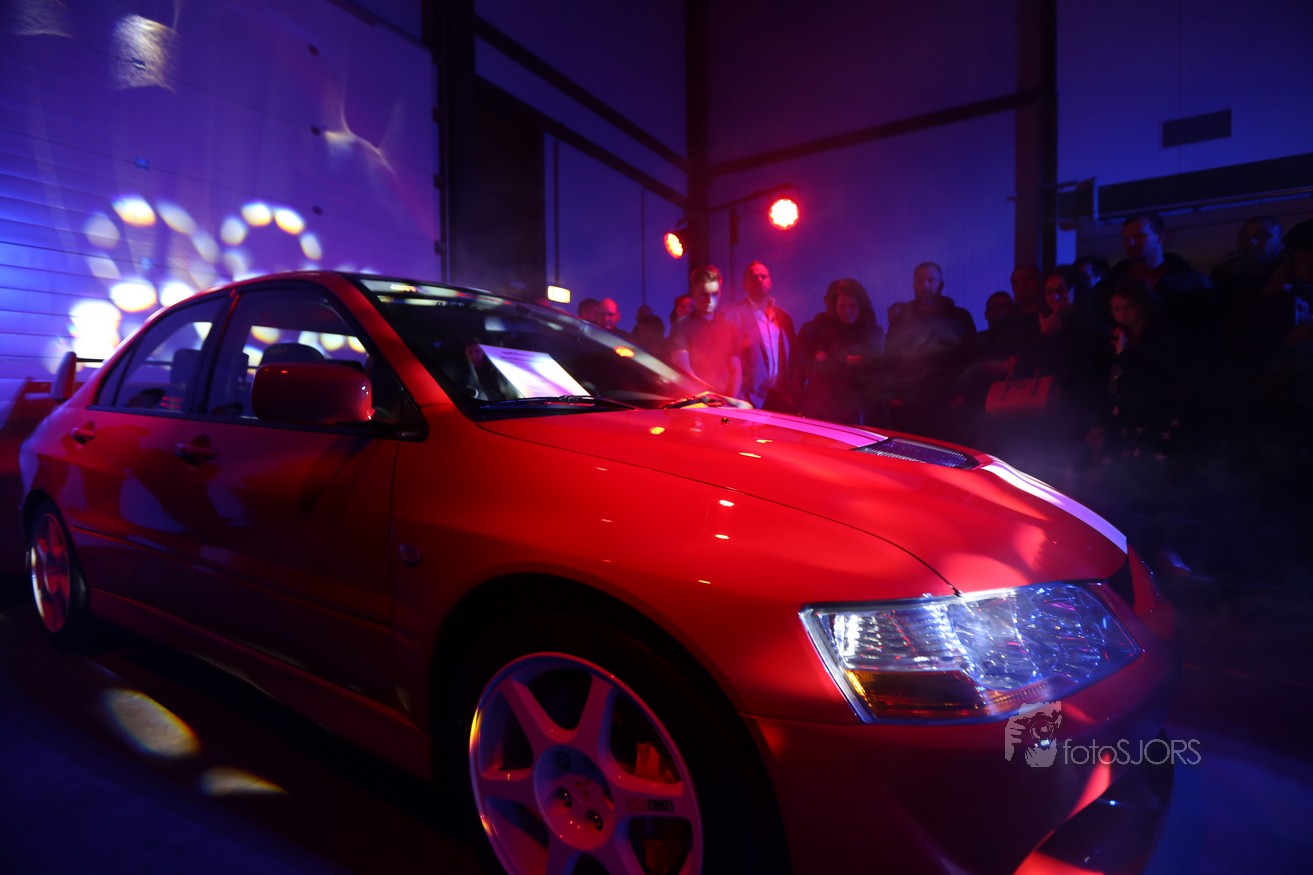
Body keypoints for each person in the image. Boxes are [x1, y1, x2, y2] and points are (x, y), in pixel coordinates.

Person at [884, 261, 976, 438]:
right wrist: (894, 395)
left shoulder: (959, 317)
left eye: (930, 280)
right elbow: (890, 359)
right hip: (909, 406)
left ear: (941, 284)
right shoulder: (901, 320)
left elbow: (971, 357)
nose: (925, 286)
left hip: (947, 405)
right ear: (914, 285)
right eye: (920, 281)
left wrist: (962, 393)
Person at [793, 278, 884, 424]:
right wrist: (845, 361)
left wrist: (832, 359)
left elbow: (871, 367)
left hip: (859, 411)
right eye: (841, 307)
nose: (846, 312)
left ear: (860, 306)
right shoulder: (825, 331)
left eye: (852, 306)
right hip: (828, 409)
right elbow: (816, 367)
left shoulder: (872, 333)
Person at [727, 260, 797, 411]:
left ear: (770, 281)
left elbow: (793, 356)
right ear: (745, 283)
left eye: (763, 276)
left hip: (781, 397)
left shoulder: (784, 317)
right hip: (750, 399)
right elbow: (730, 360)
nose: (759, 280)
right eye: (754, 277)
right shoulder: (734, 315)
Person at [669, 265, 742, 397]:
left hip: (724, 402)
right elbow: (684, 370)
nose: (710, 300)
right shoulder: (682, 326)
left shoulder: (729, 328)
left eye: (714, 294)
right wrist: (709, 400)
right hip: (694, 402)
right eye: (704, 294)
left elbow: (736, 370)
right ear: (693, 292)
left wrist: (730, 400)